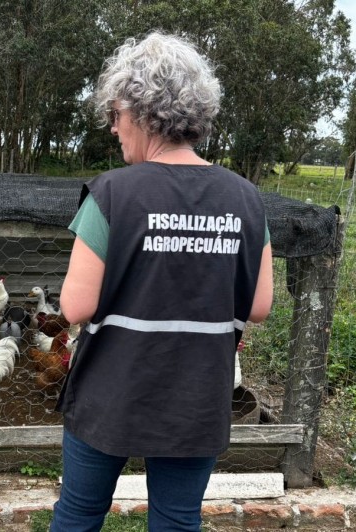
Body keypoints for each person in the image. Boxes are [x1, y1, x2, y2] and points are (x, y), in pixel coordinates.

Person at [50, 31, 274, 531]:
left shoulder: (111, 194)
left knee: (80, 513)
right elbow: (259, 306)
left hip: (111, 392)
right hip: (195, 396)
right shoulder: (246, 200)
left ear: (140, 111)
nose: (114, 129)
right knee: (176, 518)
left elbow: (75, 307)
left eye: (115, 115)